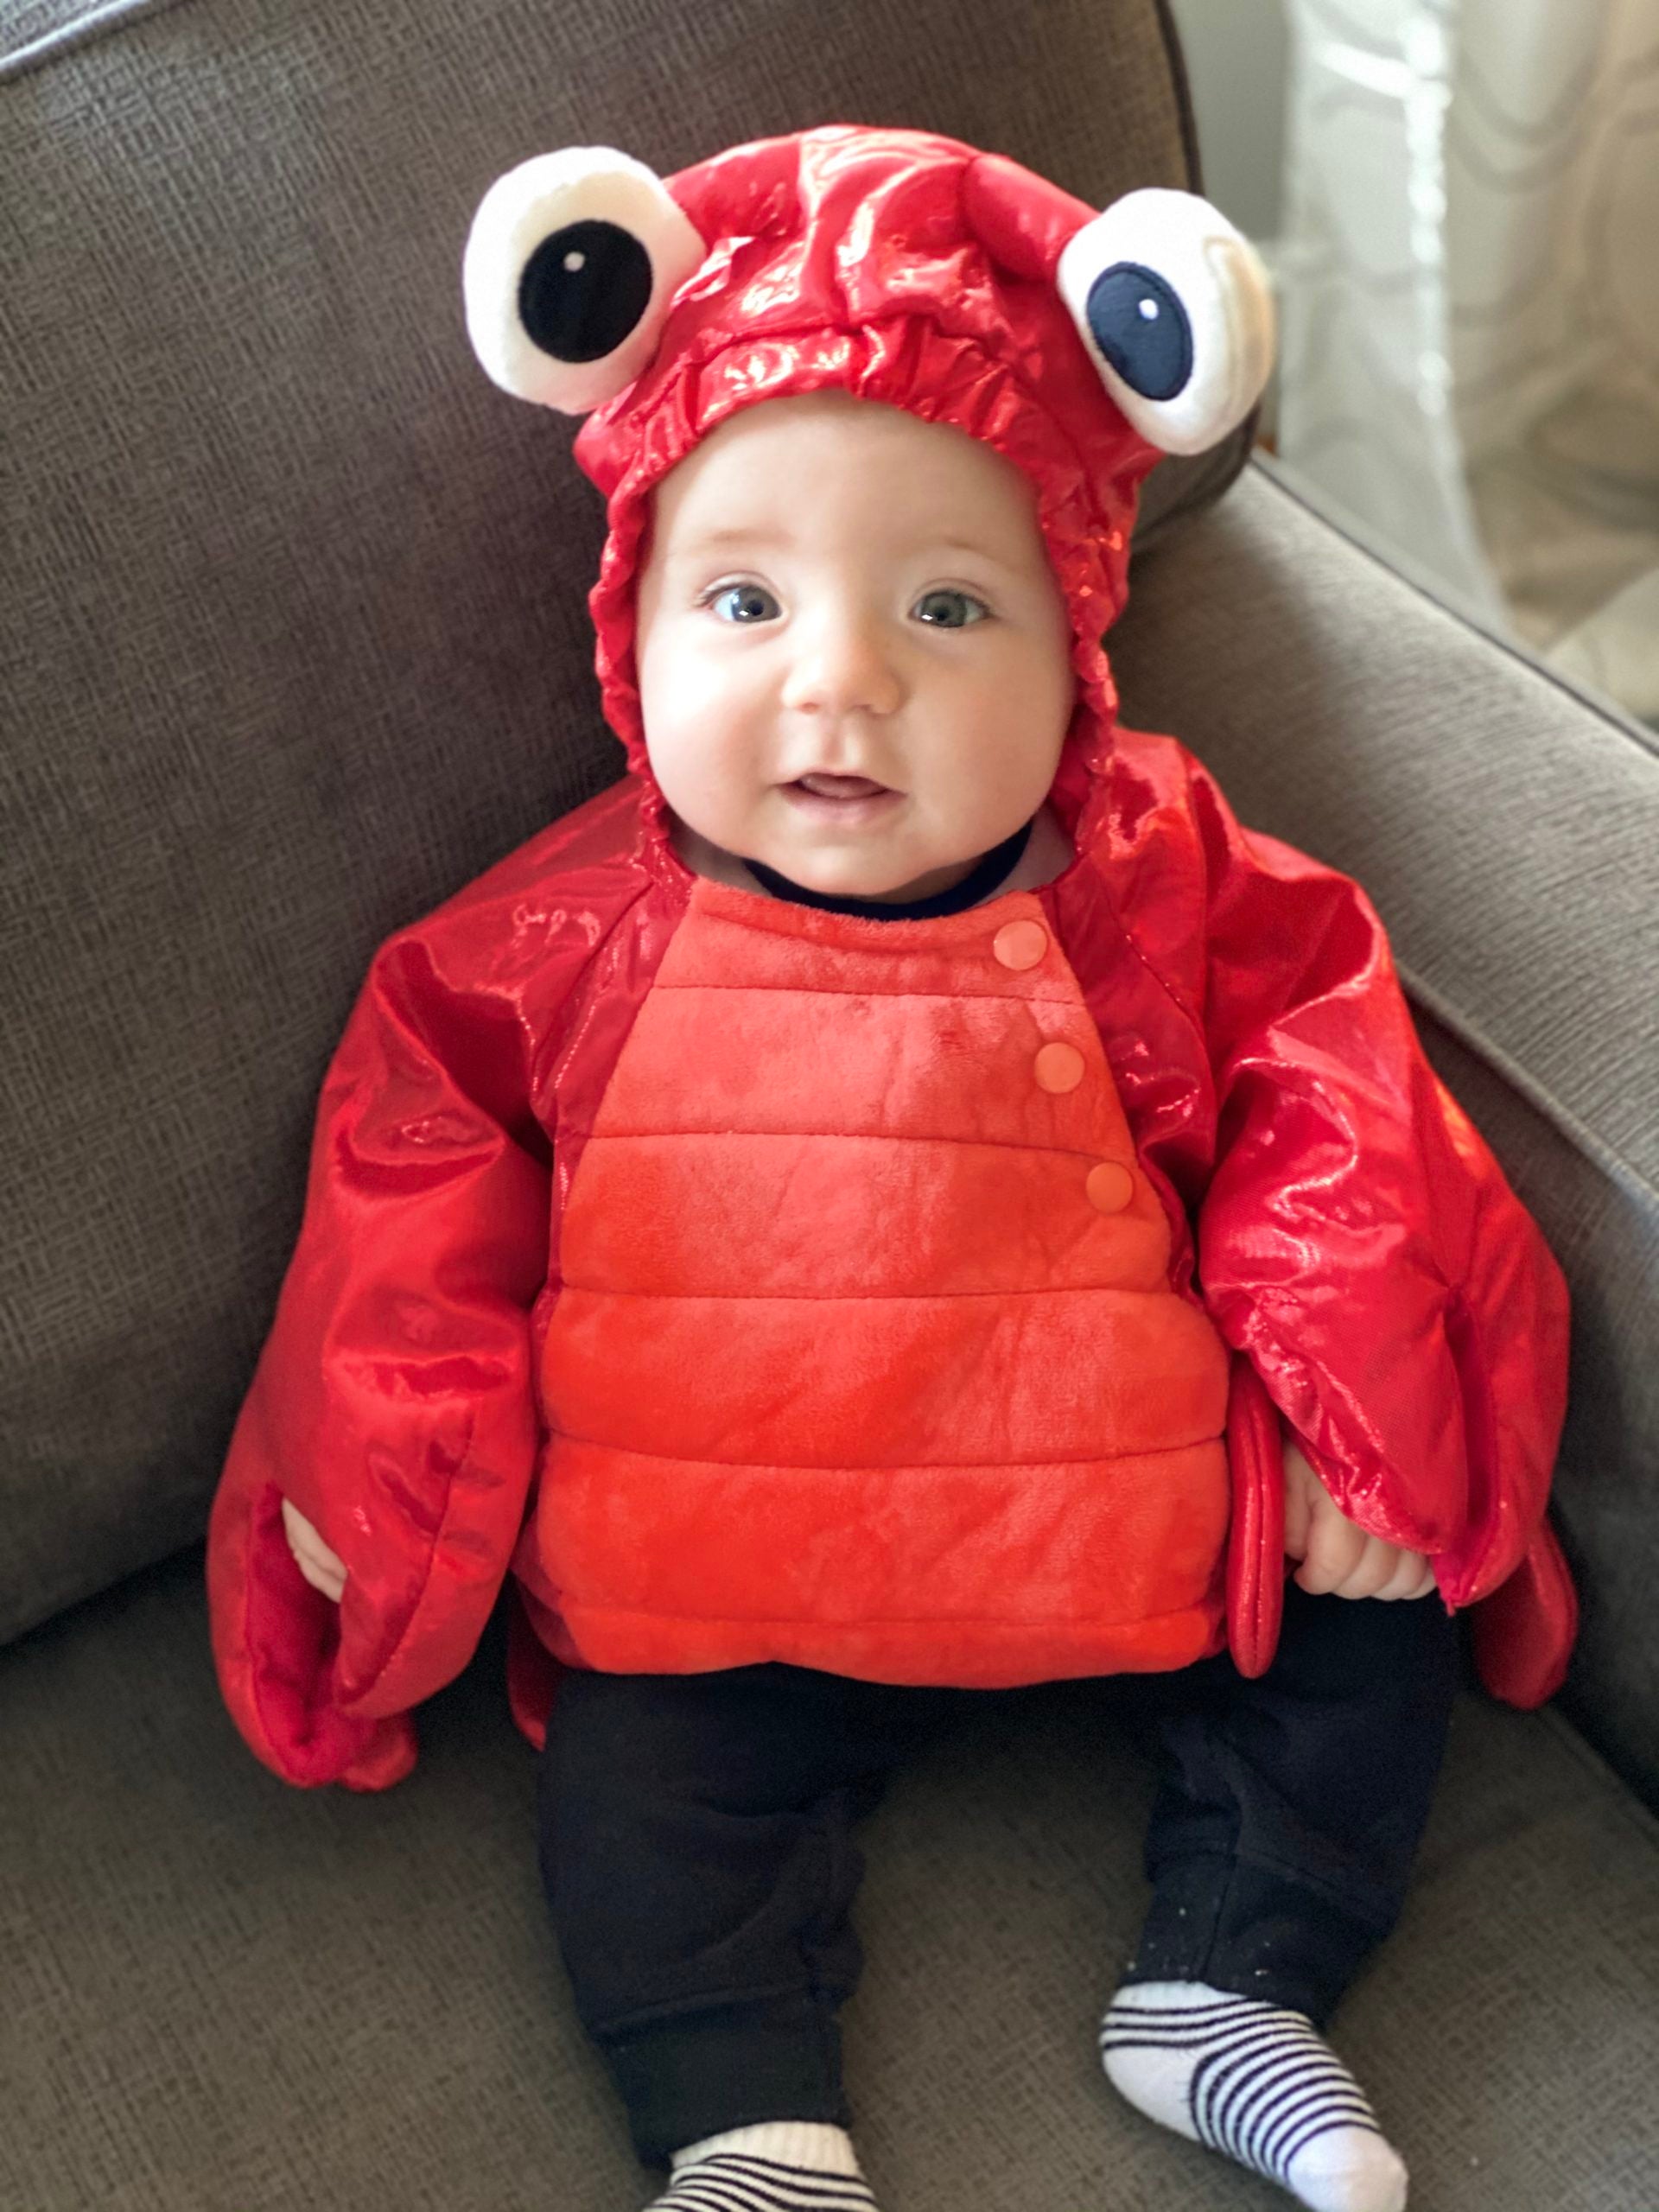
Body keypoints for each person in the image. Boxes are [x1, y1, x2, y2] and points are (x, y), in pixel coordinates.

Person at [207, 128, 1576, 2212]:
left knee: (1370, 1628)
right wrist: (370, 1481)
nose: (841, 678)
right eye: (745, 600)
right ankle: (746, 2122)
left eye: (947, 604)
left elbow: (1343, 1106)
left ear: (1078, 643)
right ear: (632, 633)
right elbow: (409, 1194)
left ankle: (1233, 1977)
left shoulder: (1168, 877)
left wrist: (1348, 1420)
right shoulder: (555, 936)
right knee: (641, 1802)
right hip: (724, 1585)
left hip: (1140, 1523)